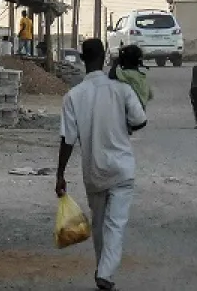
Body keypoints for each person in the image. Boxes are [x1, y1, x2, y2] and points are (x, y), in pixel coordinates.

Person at [57, 38, 147, 291]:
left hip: (94, 170)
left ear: (83, 59)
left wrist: (60, 175)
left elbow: (67, 139)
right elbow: (140, 121)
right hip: (122, 168)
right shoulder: (121, 90)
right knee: (115, 223)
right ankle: (105, 273)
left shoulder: (73, 96)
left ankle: (103, 271)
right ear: (104, 56)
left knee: (98, 223)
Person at [111, 45, 152, 109]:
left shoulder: (126, 74)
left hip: (131, 110)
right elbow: (150, 95)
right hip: (141, 110)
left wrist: (115, 64)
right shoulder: (142, 76)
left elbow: (111, 75)